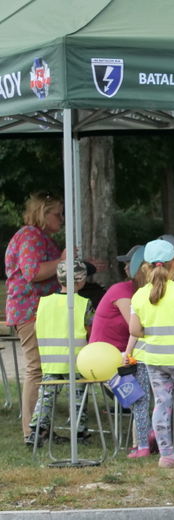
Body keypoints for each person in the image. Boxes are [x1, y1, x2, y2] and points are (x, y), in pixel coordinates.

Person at [124, 239, 174, 468]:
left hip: (155, 360)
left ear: (146, 266)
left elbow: (134, 330)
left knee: (162, 404)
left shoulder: (139, 295)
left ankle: (166, 455)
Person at [4, 191, 66, 432]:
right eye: (57, 214)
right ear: (43, 213)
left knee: (44, 367)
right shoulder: (30, 236)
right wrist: (62, 262)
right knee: (36, 367)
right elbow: (32, 272)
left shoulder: (39, 237)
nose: (61, 219)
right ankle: (31, 430)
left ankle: (40, 427)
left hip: (40, 310)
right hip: (30, 310)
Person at [91, 246, 152, 457]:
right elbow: (136, 328)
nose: (126, 267)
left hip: (125, 355)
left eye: (130, 263)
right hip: (105, 358)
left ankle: (152, 436)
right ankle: (144, 440)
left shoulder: (140, 292)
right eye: (126, 263)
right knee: (147, 387)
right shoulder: (122, 291)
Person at [28, 261, 91, 446]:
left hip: (50, 361)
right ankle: (79, 432)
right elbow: (90, 328)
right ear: (81, 281)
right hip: (77, 361)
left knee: (46, 396)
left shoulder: (44, 303)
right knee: (79, 397)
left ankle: (37, 429)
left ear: (58, 278)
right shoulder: (83, 303)